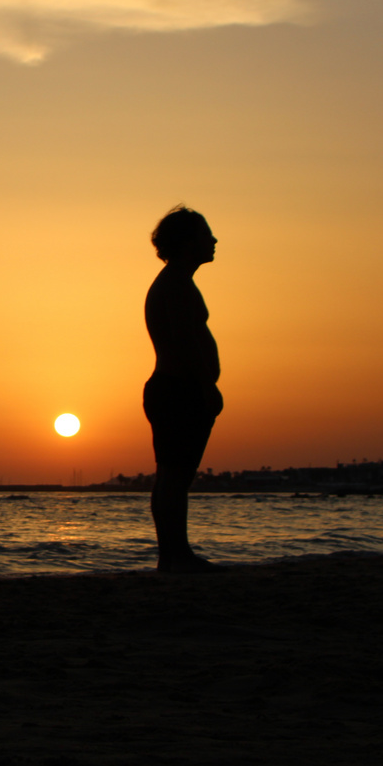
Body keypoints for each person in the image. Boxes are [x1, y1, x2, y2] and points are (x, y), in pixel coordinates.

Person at [143, 206, 226, 573]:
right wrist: (206, 385)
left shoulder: (178, 281)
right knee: (175, 477)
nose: (213, 240)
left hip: (175, 388)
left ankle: (173, 554)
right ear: (186, 242)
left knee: (171, 476)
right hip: (179, 389)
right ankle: (176, 555)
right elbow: (183, 340)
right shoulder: (175, 282)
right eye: (205, 234)